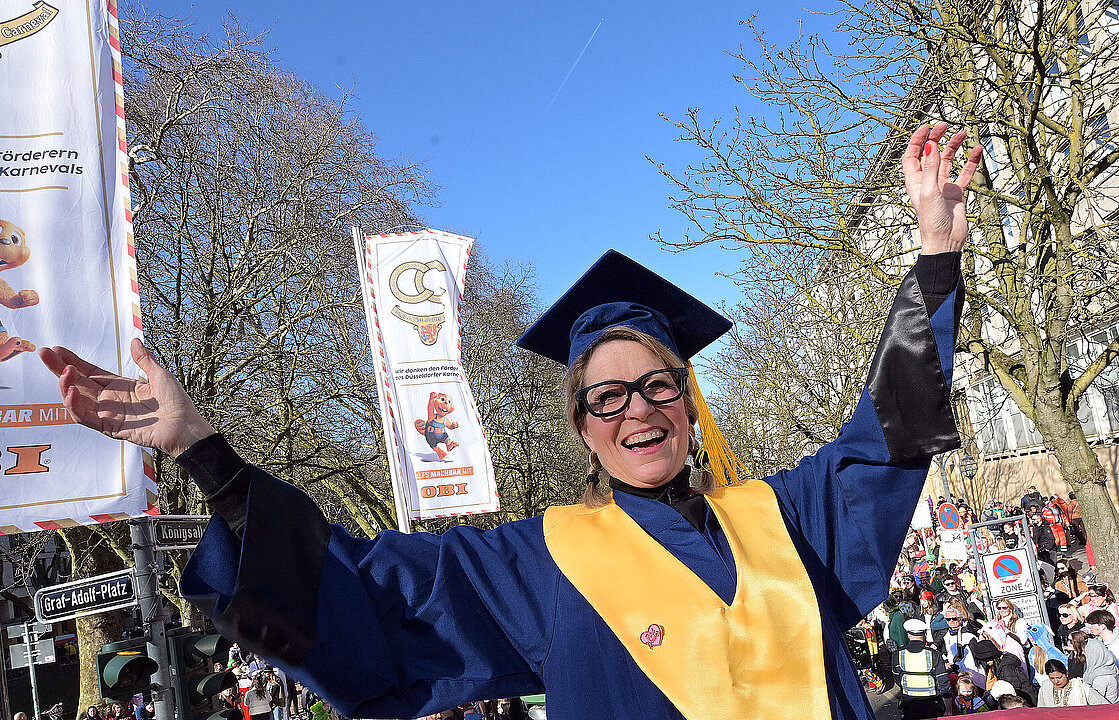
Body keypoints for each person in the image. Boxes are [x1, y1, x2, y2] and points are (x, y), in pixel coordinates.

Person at [39, 122, 982, 720]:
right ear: (582, 427)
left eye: (657, 387)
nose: (636, 410)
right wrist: (206, 453)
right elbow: (365, 592)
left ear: (687, 407)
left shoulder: (786, 518)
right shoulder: (539, 562)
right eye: (605, 397)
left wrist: (935, 252)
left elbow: (884, 437)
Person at [892, 619, 951, 719]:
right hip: (932, 704)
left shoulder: (898, 654)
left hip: (909, 704)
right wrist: (949, 710)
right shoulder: (934, 654)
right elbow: (944, 683)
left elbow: (897, 678)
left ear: (908, 635)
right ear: (924, 635)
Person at [972, 639, 1036, 707]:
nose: (986, 663)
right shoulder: (1002, 665)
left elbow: (1011, 694)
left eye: (986, 659)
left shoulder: (1006, 669)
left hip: (1024, 703)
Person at [1066, 630, 1119, 703]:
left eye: (1071, 641)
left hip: (1106, 711)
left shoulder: (1101, 677)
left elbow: (1095, 701)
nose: (1068, 643)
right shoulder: (1093, 669)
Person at [1037, 659, 1108, 706]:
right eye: (1052, 678)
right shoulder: (1045, 688)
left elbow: (1102, 706)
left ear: (1066, 673)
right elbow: (1041, 710)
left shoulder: (1081, 687)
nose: (1056, 681)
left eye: (1059, 677)